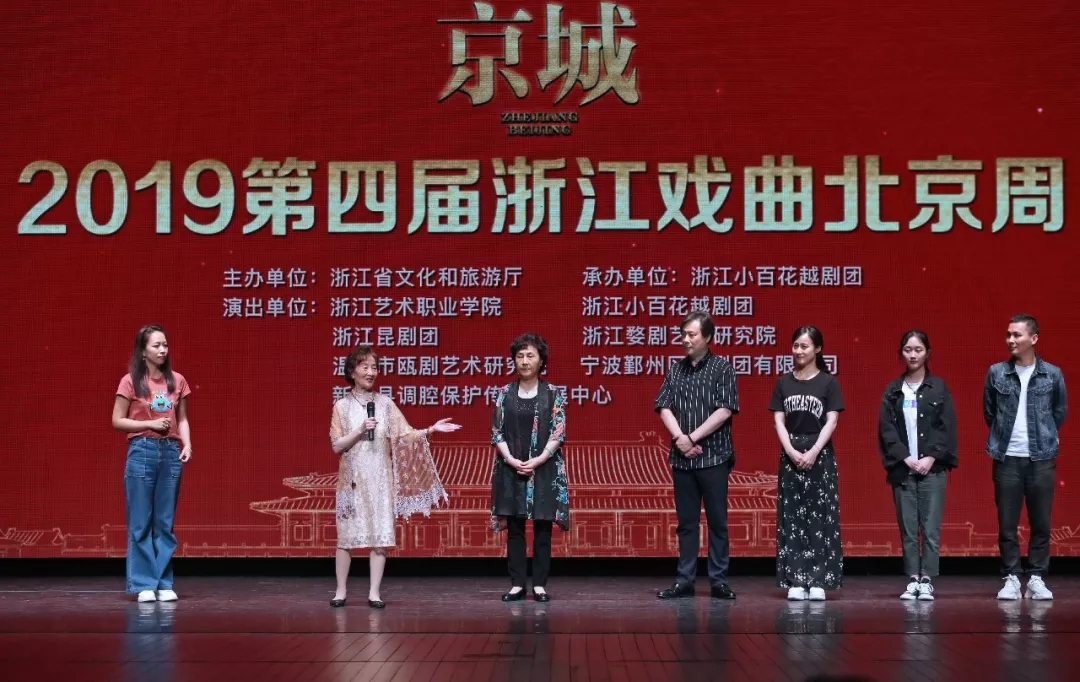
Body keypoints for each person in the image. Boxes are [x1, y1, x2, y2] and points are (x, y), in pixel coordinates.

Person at [329, 345, 459, 608]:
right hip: (352, 482)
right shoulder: (341, 407)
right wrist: (359, 430)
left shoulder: (385, 404)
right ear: (352, 372)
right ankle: (340, 591)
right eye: (365, 367)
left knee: (380, 538)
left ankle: (374, 592)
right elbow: (336, 445)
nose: (371, 372)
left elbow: (405, 435)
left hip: (380, 480)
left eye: (374, 367)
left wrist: (430, 429)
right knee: (346, 538)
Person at [654, 310, 738, 601]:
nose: (685, 339)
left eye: (692, 334)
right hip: (682, 459)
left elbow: (725, 410)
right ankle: (684, 581)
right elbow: (663, 406)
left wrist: (692, 438)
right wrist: (681, 439)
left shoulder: (722, 368)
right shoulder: (676, 370)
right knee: (686, 524)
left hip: (714, 457)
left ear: (708, 337)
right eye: (684, 334)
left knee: (718, 523)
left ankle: (719, 581)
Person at [984, 314, 1067, 601]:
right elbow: (990, 412)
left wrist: (1044, 437)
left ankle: (1036, 577)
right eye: (1008, 334)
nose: (1011, 340)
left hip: (1041, 459)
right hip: (1007, 457)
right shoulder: (996, 373)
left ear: (1034, 338)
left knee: (1041, 522)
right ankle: (1010, 577)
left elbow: (1059, 412)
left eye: (1017, 335)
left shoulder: (1052, 374)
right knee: (1007, 523)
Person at [111, 325, 192, 603]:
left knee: (164, 522)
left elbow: (182, 418)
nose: (162, 350)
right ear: (143, 351)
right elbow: (117, 420)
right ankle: (144, 583)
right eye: (156, 345)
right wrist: (149, 424)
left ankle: (163, 582)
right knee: (141, 521)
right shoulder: (130, 381)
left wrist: (187, 444)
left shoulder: (177, 380)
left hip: (169, 452)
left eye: (165, 345)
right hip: (142, 450)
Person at [878, 330, 957, 600]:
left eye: (918, 350)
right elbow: (887, 430)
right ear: (901, 353)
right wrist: (905, 457)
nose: (913, 355)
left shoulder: (939, 388)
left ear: (927, 353)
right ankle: (913, 577)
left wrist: (930, 457)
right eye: (908, 350)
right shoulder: (893, 391)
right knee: (909, 529)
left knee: (930, 528)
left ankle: (927, 579)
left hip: (932, 469)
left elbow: (946, 427)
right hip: (904, 469)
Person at [490, 333, 569, 602]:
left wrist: (538, 459)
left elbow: (558, 432)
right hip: (511, 467)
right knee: (515, 526)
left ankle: (539, 585)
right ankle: (517, 584)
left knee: (543, 527)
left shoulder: (553, 394)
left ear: (541, 361)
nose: (524, 361)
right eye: (520, 356)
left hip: (543, 468)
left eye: (530, 356)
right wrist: (511, 459)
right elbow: (497, 431)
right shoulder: (504, 393)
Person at [770, 326, 844, 601]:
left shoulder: (828, 383)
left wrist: (813, 451)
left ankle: (818, 580)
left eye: (804, 346)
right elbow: (778, 421)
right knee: (792, 516)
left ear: (818, 349)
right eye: (796, 346)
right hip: (791, 452)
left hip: (819, 453)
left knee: (820, 515)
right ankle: (796, 579)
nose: (799, 351)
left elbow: (832, 421)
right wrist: (790, 450)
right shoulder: (783, 383)